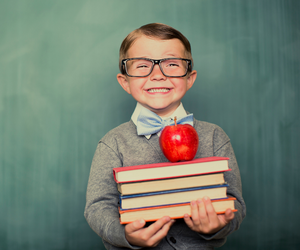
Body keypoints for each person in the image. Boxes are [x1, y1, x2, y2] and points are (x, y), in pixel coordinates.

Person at [84, 23, 246, 249]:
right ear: (125, 82)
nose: (158, 75)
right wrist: (126, 236)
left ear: (189, 78)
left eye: (171, 64)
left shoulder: (214, 137)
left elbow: (234, 203)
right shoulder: (113, 143)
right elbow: (98, 207)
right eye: (142, 65)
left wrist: (218, 225)